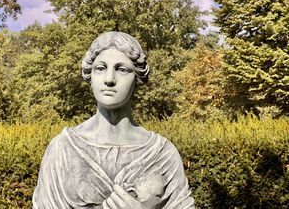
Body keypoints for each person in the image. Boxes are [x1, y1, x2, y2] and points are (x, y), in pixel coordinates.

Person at [32, 32, 194, 208]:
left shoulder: (163, 154)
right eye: (100, 68)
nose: (109, 79)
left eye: (121, 69)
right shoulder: (62, 150)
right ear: (90, 76)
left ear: (137, 78)